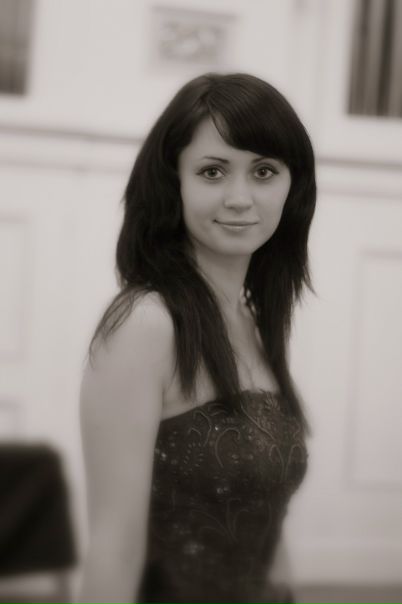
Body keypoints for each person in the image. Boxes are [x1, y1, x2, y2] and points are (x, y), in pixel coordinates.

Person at [79, 72, 316, 604]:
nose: (240, 198)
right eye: (213, 171)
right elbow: (114, 550)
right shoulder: (145, 326)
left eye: (264, 171)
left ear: (291, 186)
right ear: (174, 183)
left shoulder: (253, 319)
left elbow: (263, 513)